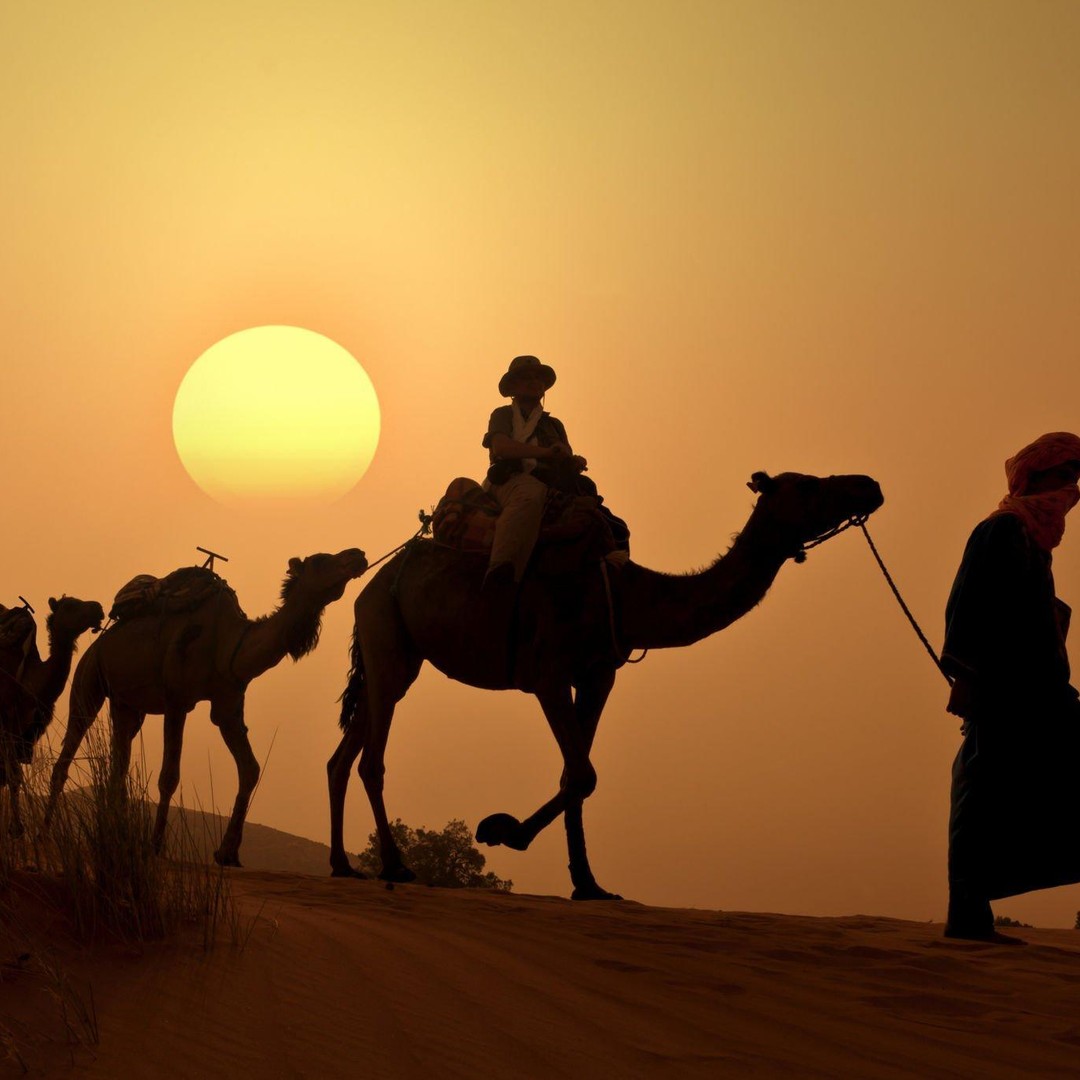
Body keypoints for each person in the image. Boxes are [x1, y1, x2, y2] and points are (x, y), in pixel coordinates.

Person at [943, 431, 1080, 942]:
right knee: (978, 797)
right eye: (1062, 474)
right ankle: (968, 919)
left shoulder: (1031, 540)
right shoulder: (1001, 531)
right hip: (1005, 693)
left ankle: (971, 916)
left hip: (1042, 693)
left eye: (1074, 476)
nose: (1070, 486)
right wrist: (967, 678)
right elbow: (968, 607)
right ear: (1033, 478)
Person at [481, 355, 588, 588]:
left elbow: (564, 456)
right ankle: (501, 570)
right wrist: (547, 453)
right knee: (530, 495)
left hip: (552, 486)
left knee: (602, 520)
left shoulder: (554, 425)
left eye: (538, 378)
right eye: (526, 378)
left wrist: (573, 460)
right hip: (509, 482)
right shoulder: (503, 415)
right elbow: (502, 447)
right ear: (513, 387)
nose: (533, 382)